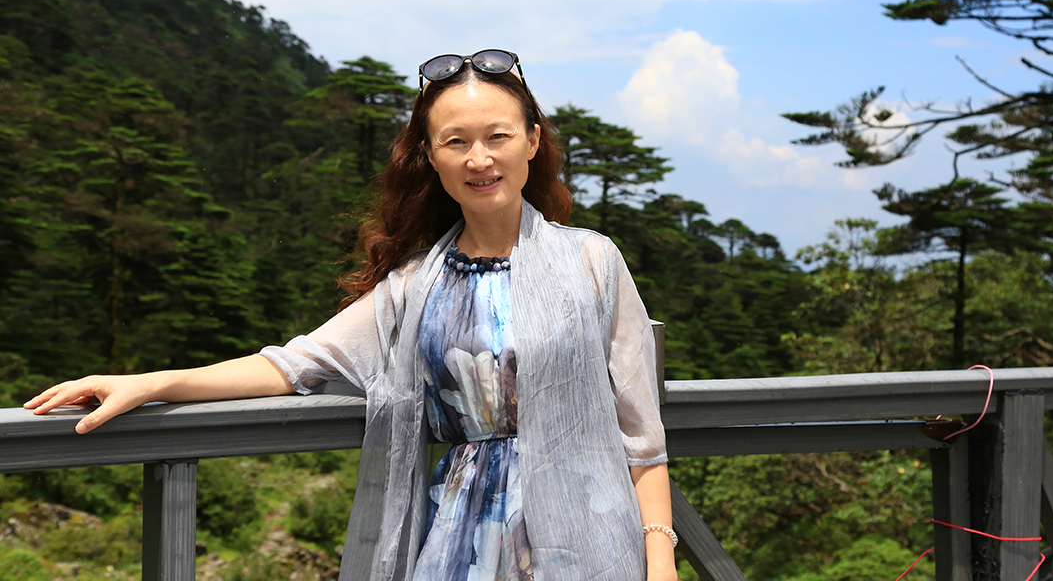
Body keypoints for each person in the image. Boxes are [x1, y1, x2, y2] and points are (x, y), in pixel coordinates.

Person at [25, 49, 677, 581]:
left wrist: (660, 559)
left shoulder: (592, 262)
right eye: (455, 141)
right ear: (432, 156)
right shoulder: (413, 287)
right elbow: (292, 366)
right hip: (463, 544)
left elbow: (641, 438)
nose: (479, 159)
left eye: (498, 136)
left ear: (531, 141)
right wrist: (153, 383)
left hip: (590, 541)